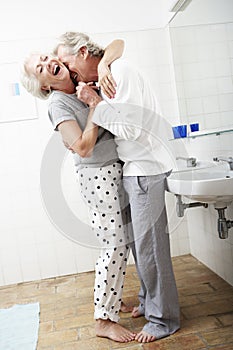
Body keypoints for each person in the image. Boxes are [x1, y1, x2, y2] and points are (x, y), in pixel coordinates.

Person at [54, 31, 180, 343]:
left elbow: (132, 129)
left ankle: (163, 320)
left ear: (83, 52)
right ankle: (150, 302)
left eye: (69, 65)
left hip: (145, 168)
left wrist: (95, 103)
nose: (70, 74)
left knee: (150, 249)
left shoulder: (119, 72)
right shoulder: (108, 72)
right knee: (141, 247)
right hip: (133, 168)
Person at [21, 39, 136, 343]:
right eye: (39, 68)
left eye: (45, 57)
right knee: (113, 244)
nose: (47, 63)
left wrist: (102, 65)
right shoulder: (59, 104)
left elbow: (118, 45)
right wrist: (95, 107)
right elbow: (83, 148)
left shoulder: (77, 79)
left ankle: (114, 299)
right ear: (43, 85)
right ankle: (103, 319)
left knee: (122, 241)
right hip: (97, 175)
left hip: (115, 167)